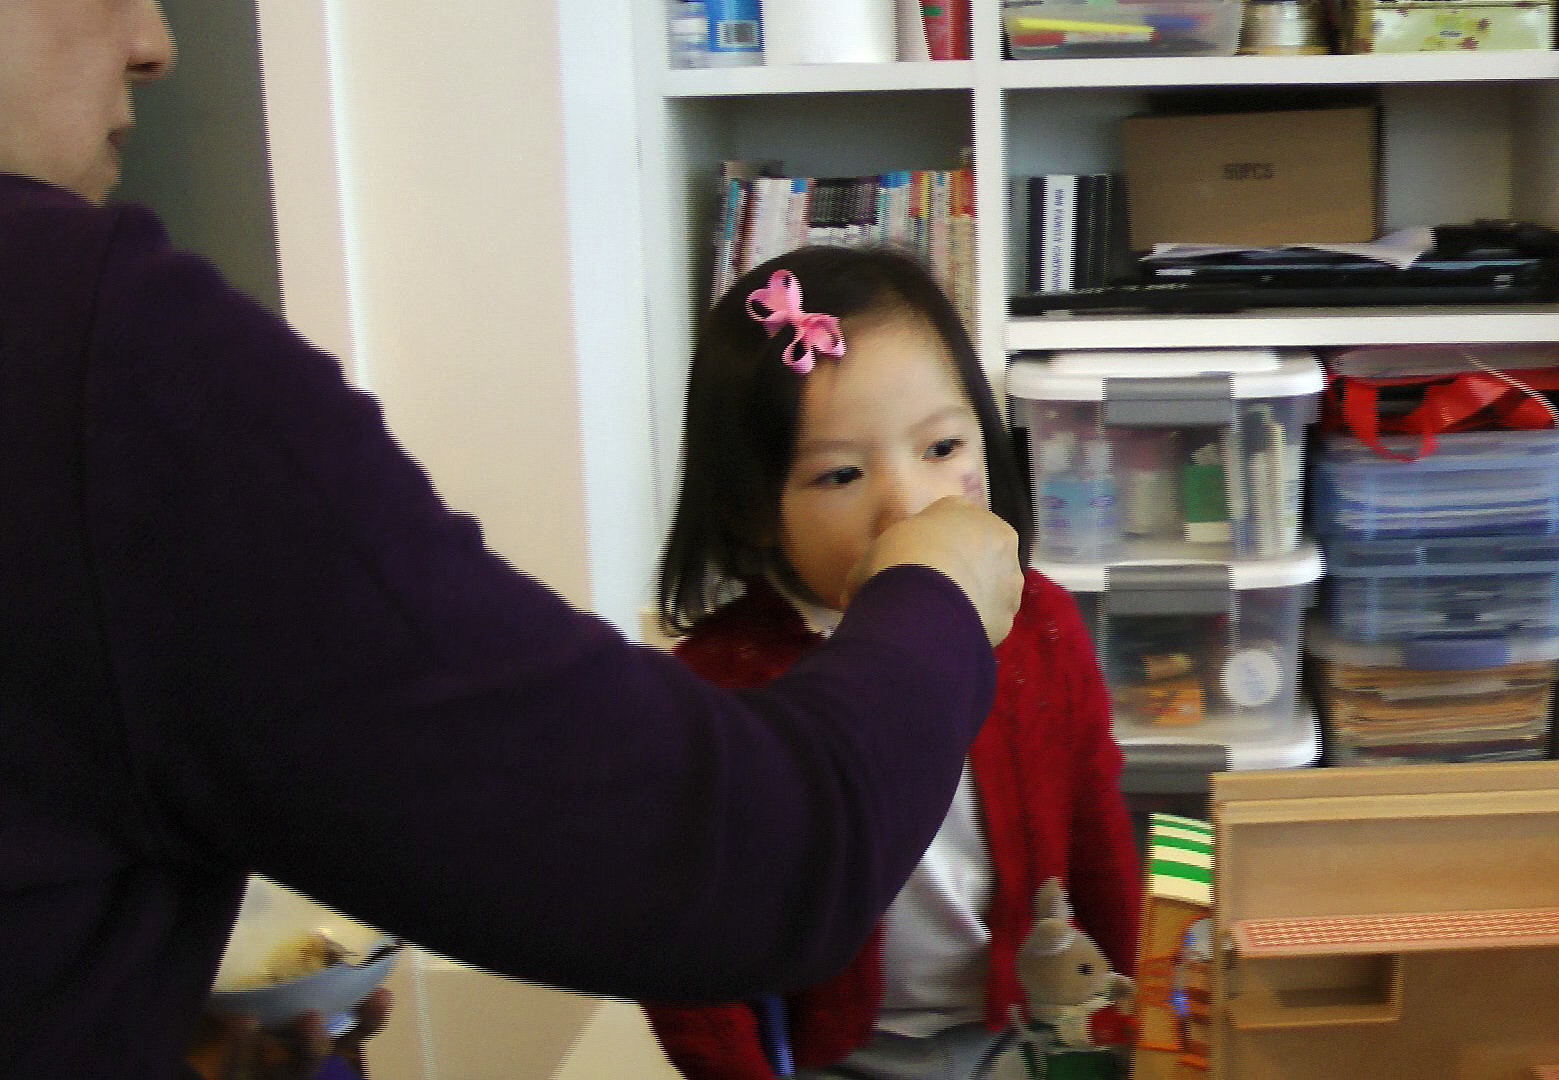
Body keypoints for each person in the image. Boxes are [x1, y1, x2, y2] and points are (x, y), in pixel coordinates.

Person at [0, 1, 1025, 1076]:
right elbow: (757, 866)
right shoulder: (104, 363)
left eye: (944, 443)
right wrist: (937, 591)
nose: (156, 42)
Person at [641, 246, 1140, 1080]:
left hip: (1022, 1028)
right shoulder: (715, 688)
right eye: (841, 472)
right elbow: (689, 956)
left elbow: (1094, 824)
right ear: (753, 509)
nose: (909, 506)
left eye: (942, 448)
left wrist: (1132, 1018)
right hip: (829, 1053)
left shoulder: (1040, 623)